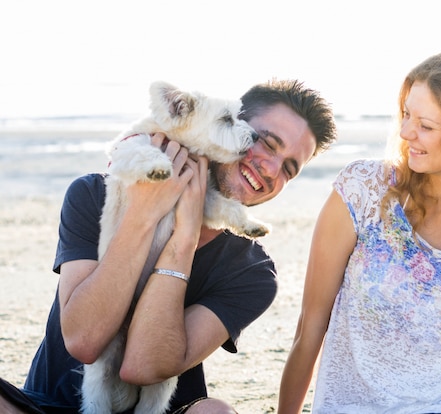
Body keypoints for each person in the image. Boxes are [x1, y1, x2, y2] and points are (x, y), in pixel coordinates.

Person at [0, 79, 337, 414]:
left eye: (289, 169)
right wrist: (143, 215)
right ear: (228, 122)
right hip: (48, 406)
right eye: (266, 143)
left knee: (215, 413)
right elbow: (84, 341)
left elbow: (142, 367)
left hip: (164, 410)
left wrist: (185, 237)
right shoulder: (93, 195)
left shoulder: (253, 273)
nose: (272, 169)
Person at [278, 49, 441, 414]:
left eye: (426, 126)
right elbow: (310, 329)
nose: (405, 132)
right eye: (406, 115)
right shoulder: (363, 192)